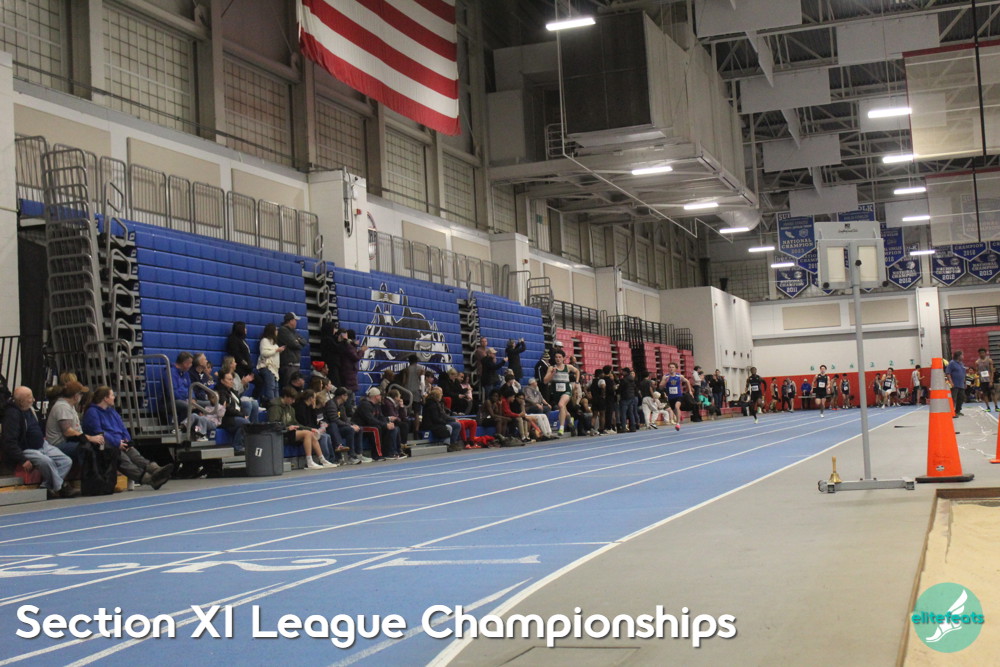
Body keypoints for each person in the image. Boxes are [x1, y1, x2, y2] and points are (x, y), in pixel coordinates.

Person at [83, 386, 173, 489]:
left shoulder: (111, 411)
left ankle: (155, 469)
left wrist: (127, 440)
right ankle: (149, 479)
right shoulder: (92, 413)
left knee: (135, 455)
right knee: (124, 460)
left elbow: (122, 427)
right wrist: (117, 443)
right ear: (105, 398)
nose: (114, 397)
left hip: (118, 441)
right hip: (105, 445)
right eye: (112, 395)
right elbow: (98, 432)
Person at [2, 386, 78, 499]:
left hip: (42, 444)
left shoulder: (30, 409)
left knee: (66, 461)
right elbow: (9, 441)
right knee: (46, 461)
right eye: (30, 398)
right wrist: (22, 459)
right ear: (21, 401)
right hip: (26, 448)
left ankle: (46, 487)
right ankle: (61, 487)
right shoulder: (12, 415)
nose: (33, 400)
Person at [45, 380, 105, 463]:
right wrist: (89, 438)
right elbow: (68, 432)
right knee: (86, 449)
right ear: (76, 396)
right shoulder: (62, 407)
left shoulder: (69, 406)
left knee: (96, 446)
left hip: (68, 441)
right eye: (81, 394)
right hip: (58, 445)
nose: (81, 396)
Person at [268, 387, 328, 469]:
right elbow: (273, 424)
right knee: (307, 434)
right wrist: (287, 428)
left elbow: (296, 423)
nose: (293, 401)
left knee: (311, 433)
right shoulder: (275, 407)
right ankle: (309, 461)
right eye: (292, 399)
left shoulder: (290, 408)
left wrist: (310, 429)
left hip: (290, 432)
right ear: (285, 396)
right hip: (281, 433)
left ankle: (322, 459)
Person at [354, 387, 402, 459]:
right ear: (376, 396)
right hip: (362, 426)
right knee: (376, 429)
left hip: (372, 424)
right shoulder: (365, 405)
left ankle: (394, 452)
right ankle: (377, 455)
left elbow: (381, 417)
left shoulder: (377, 405)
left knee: (394, 428)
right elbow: (370, 420)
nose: (381, 397)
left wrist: (387, 423)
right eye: (380, 395)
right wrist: (385, 425)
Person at [323, 387, 367, 464]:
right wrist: (350, 426)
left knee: (359, 428)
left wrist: (352, 425)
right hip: (332, 428)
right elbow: (334, 420)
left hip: (339, 427)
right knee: (350, 429)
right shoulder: (331, 404)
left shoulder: (341, 406)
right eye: (346, 395)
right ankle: (351, 456)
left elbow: (345, 419)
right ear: (342, 396)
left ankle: (359, 454)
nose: (347, 397)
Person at [543, 349, 579, 436]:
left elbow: (577, 371)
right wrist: (552, 373)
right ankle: (570, 422)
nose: (558, 359)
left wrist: (577, 382)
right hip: (556, 392)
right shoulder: (551, 368)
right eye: (556, 357)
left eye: (560, 357)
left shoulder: (568, 367)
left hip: (566, 390)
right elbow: (545, 381)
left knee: (561, 405)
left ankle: (561, 428)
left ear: (563, 358)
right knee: (563, 409)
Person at [215, 370, 251, 454]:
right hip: (226, 418)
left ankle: (249, 439)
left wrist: (243, 414)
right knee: (245, 423)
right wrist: (241, 415)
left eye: (232, 379)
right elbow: (227, 409)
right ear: (222, 381)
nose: (232, 381)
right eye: (229, 379)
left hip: (235, 415)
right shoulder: (220, 392)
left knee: (249, 405)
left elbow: (239, 404)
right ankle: (238, 446)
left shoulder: (232, 390)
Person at [277, 312, 307, 388]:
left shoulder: (293, 332)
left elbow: (304, 341)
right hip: (288, 365)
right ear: (290, 321)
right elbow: (294, 344)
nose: (296, 322)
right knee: (288, 388)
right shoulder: (283, 330)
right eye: (295, 320)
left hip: (295, 364)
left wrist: (297, 341)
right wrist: (297, 341)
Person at [256, 323, 283, 403]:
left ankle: (277, 405)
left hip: (275, 368)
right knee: (271, 386)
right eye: (276, 330)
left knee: (276, 387)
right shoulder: (264, 341)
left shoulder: (274, 343)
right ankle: (272, 404)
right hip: (267, 366)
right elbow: (264, 353)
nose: (277, 331)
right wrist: (276, 350)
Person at [663, 362, 693, 430]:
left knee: (677, 407)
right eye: (670, 367)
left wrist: (690, 391)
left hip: (679, 395)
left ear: (676, 368)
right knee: (674, 411)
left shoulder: (679, 376)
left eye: (673, 367)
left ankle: (678, 423)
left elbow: (687, 381)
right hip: (670, 397)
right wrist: (665, 382)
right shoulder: (666, 376)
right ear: (668, 368)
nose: (671, 368)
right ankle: (679, 417)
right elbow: (661, 385)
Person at [399, 354, 426, 430]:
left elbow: (404, 382)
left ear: (409, 361)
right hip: (416, 393)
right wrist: (422, 394)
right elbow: (422, 383)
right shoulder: (421, 369)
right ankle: (416, 431)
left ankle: (406, 429)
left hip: (406, 392)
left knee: (405, 411)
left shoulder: (406, 370)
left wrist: (402, 393)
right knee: (416, 413)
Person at [319, 321, 341, 387]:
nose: (335, 330)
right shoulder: (328, 339)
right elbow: (338, 349)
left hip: (331, 363)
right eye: (334, 328)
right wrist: (342, 342)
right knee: (335, 382)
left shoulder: (327, 338)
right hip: (331, 364)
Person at [945, 350, 966, 417]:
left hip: (961, 384)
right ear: (958, 356)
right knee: (953, 398)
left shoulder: (961, 364)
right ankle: (951, 412)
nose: (963, 356)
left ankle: (958, 411)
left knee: (961, 398)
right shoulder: (952, 363)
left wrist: (964, 382)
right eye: (962, 355)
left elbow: (963, 373)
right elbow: (948, 373)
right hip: (955, 384)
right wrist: (951, 382)